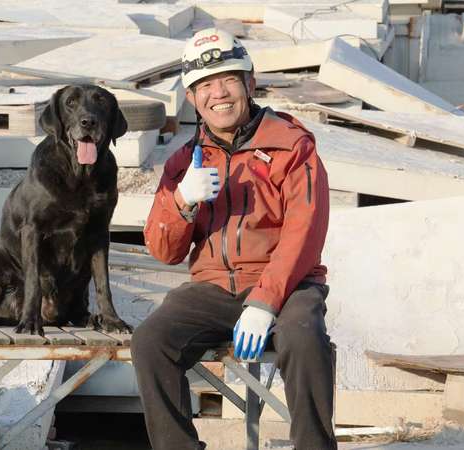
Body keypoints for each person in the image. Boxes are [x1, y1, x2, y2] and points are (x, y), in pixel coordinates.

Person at [130, 27, 337, 450]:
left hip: (288, 286)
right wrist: (181, 202)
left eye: (228, 79)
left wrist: (265, 301)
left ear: (249, 84)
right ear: (192, 98)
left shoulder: (291, 147)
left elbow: (305, 232)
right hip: (212, 289)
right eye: (205, 85)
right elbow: (164, 251)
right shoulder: (184, 162)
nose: (218, 94)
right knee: (150, 341)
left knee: (303, 336)